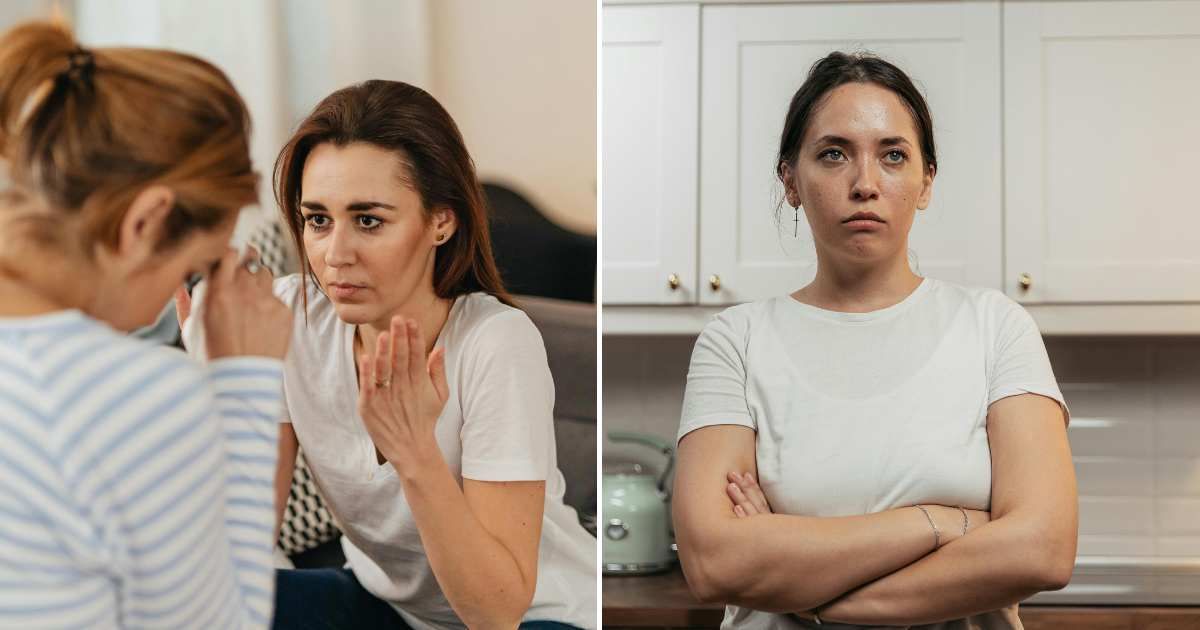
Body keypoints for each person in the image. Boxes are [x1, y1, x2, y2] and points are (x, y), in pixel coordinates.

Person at [672, 52, 1077, 629]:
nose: (864, 184)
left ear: (925, 181)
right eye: (833, 154)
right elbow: (715, 564)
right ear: (790, 180)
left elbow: (1043, 550)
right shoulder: (734, 341)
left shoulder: (995, 326)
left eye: (892, 156)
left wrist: (797, 580)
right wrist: (944, 523)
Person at [181, 80, 595, 630]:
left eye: (369, 220)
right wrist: (225, 387)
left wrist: (414, 451)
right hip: (385, 607)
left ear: (440, 221)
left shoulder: (496, 343)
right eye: (318, 220)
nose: (335, 254)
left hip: (530, 616)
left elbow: (496, 610)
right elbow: (236, 556)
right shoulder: (289, 318)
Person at [0, 21, 290, 629]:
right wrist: (243, 388)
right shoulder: (131, 395)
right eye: (193, 267)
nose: (172, 299)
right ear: (145, 223)